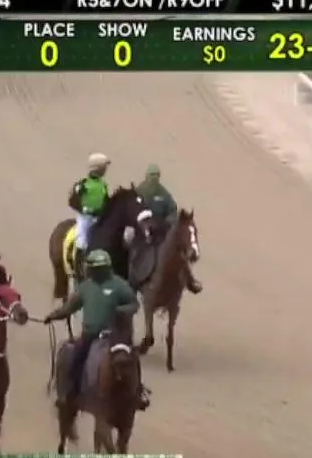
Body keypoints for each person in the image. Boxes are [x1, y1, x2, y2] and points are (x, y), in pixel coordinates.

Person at [42, 249, 149, 409]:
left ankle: (138, 391)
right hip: (89, 335)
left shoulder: (120, 285)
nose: (89, 271)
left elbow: (134, 304)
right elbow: (70, 307)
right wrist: (53, 316)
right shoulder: (85, 287)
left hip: (115, 335)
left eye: (91, 268)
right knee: (75, 359)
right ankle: (70, 393)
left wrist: (120, 310)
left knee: (132, 357)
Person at [136, 163, 202, 294]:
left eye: (156, 176)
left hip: (159, 231)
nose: (153, 178)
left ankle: (190, 279)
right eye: (151, 176)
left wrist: (166, 222)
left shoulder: (164, 195)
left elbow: (172, 211)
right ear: (146, 176)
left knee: (177, 252)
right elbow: (133, 209)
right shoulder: (139, 191)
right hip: (140, 230)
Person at [68, 153, 112, 277]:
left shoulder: (103, 185)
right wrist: (82, 209)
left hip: (99, 218)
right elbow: (72, 200)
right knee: (81, 240)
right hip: (85, 218)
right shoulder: (83, 184)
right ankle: (78, 270)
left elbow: (106, 201)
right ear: (98, 168)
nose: (106, 170)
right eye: (104, 167)